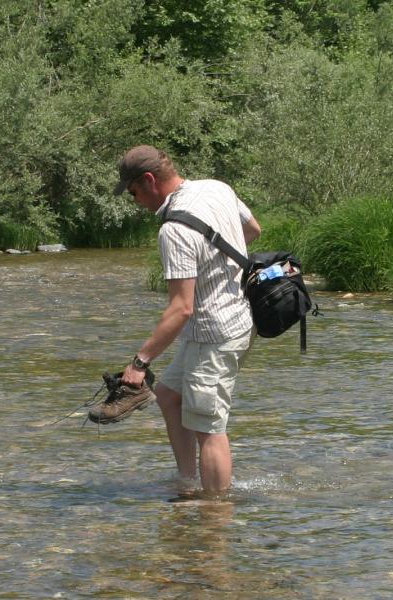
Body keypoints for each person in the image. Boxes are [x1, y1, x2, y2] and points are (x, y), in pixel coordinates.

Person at [114, 145, 261, 496]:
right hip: (240, 319)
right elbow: (252, 229)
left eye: (133, 192)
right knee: (168, 394)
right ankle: (188, 483)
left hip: (216, 333)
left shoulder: (173, 230)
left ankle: (215, 513)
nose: (134, 200)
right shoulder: (216, 187)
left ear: (149, 181)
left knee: (208, 427)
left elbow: (181, 309)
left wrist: (139, 363)